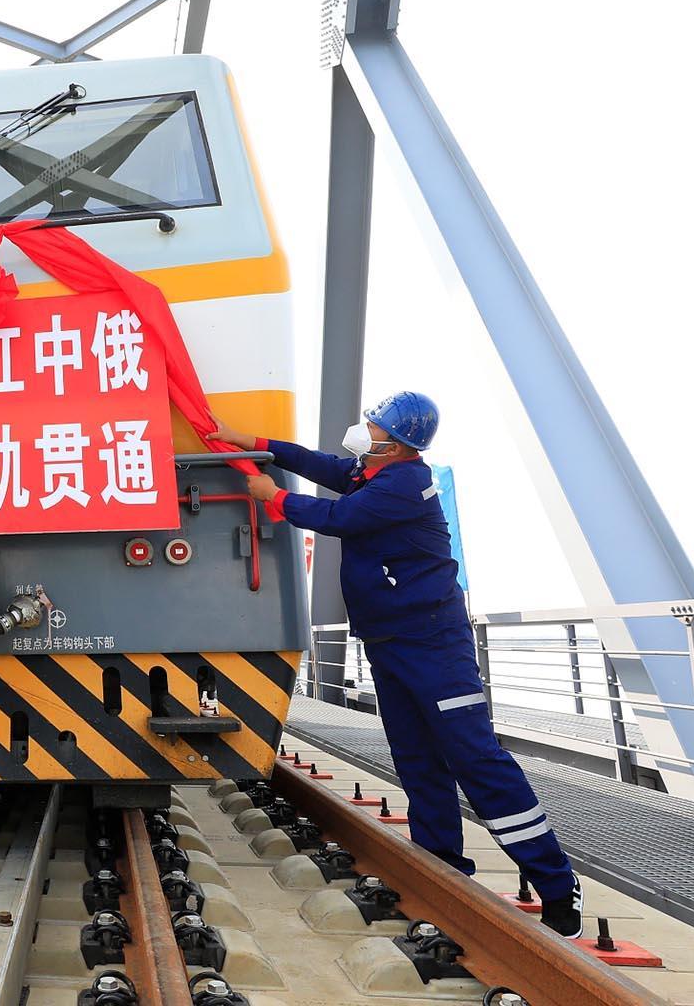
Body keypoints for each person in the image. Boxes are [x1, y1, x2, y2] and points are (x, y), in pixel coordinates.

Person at [212, 392, 585, 938]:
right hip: (389, 640)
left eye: (374, 425)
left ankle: (556, 884)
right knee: (416, 758)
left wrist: (274, 499)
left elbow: (338, 516)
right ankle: (441, 869)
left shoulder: (404, 484)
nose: (363, 430)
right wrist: (251, 442)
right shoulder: (372, 472)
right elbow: (320, 466)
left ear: (398, 441)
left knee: (474, 759)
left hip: (433, 642)